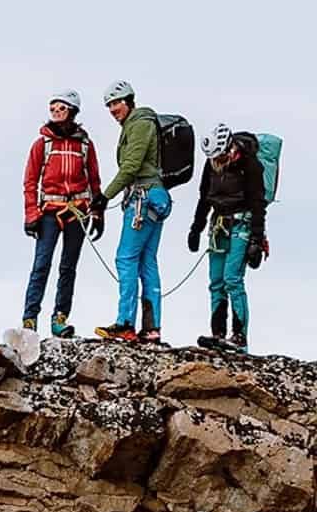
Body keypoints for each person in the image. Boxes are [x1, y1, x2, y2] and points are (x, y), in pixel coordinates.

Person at [92, 80, 171, 343]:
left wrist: (104, 197)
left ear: (129, 101)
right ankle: (151, 329)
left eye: (117, 103)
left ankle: (125, 323)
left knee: (125, 259)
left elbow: (131, 166)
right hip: (155, 197)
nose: (113, 109)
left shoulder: (138, 124)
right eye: (110, 105)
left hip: (142, 198)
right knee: (147, 261)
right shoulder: (141, 122)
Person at [21, 90, 103, 338]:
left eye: (61, 108)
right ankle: (29, 320)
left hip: (77, 213)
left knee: (68, 267)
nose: (56, 112)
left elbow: (94, 181)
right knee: (41, 265)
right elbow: (30, 181)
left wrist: (98, 212)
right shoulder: (42, 145)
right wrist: (31, 214)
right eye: (53, 108)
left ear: (73, 111)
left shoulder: (85, 145)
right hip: (49, 213)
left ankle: (60, 318)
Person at [188, 124, 266, 354]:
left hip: (242, 225)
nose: (217, 161)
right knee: (216, 281)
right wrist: (196, 228)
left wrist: (256, 239)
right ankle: (218, 334)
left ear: (229, 148)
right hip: (218, 225)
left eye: (220, 156)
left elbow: (258, 203)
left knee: (233, 279)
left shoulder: (250, 165)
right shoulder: (211, 163)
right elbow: (204, 197)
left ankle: (240, 337)